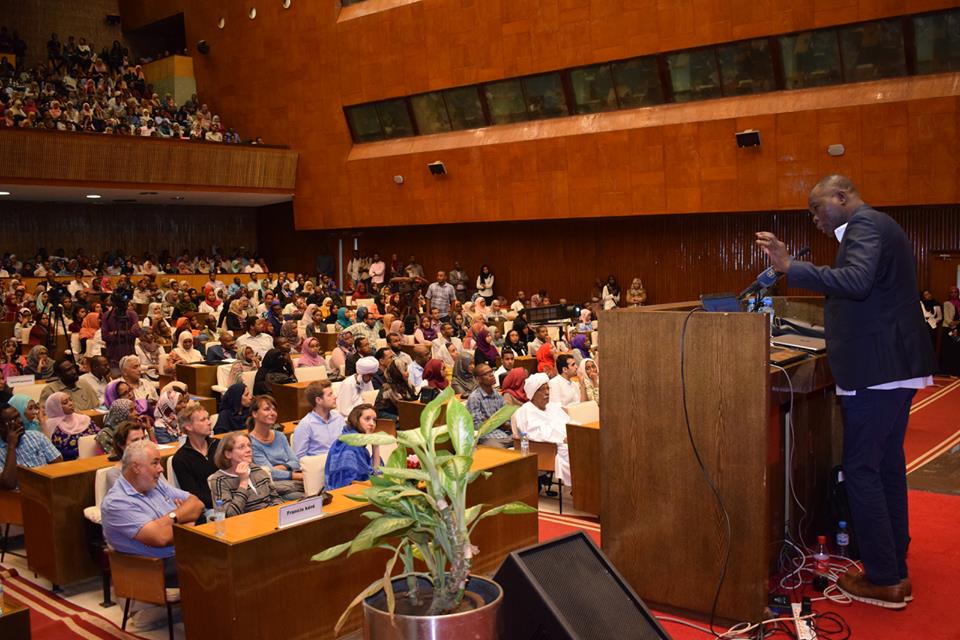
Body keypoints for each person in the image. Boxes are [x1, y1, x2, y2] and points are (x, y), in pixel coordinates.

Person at [756, 174, 935, 609]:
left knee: (861, 471)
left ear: (841, 196)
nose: (814, 218)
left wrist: (790, 268)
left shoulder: (865, 226)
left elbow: (855, 282)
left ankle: (885, 578)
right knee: (885, 466)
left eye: (817, 208)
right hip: (892, 367)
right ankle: (892, 560)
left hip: (877, 369)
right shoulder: (873, 227)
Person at [101, 440, 204, 587]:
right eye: (155, 463)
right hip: (154, 568)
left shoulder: (155, 484)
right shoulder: (117, 503)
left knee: (232, 553)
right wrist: (185, 521)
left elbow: (196, 503)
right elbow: (160, 538)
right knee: (220, 565)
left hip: (181, 553)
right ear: (136, 467)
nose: (160, 469)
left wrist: (171, 519)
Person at [512, 373, 571, 486]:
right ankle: (582, 487)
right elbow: (535, 434)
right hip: (548, 449)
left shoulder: (553, 407)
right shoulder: (525, 411)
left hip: (567, 441)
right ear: (533, 394)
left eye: (548, 388)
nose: (547, 393)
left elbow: (568, 422)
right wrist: (563, 438)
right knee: (576, 452)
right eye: (542, 390)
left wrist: (576, 433)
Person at [209, 432, 285, 517]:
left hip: (269, 519)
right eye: (242, 447)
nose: (248, 450)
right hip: (244, 525)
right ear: (228, 454)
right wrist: (243, 482)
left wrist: (275, 514)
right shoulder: (219, 480)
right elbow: (228, 515)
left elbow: (275, 498)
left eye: (249, 445)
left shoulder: (257, 470)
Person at [248, 395, 304, 494]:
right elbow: (269, 473)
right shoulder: (251, 442)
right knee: (301, 496)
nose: (272, 413)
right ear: (255, 413)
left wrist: (282, 467)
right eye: (267, 409)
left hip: (292, 482)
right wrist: (294, 475)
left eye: (274, 409)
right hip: (273, 487)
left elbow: (296, 462)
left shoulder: (280, 436)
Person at [0, 403, 61, 489]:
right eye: (13, 420)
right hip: (18, 497)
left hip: (47, 488)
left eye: (19, 416)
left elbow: (59, 464)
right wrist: (11, 446)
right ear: (1, 427)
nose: (20, 421)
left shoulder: (36, 436)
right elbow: (8, 483)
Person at [172, 402, 220, 509]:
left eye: (208, 418)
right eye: (203, 420)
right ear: (188, 427)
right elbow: (193, 494)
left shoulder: (219, 445)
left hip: (229, 501)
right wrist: (218, 503)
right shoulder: (181, 458)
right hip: (207, 508)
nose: (209, 422)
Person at [324, 404, 380, 490]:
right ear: (356, 420)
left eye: (374, 420)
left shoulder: (359, 444)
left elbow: (376, 475)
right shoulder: (348, 445)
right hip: (343, 495)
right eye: (367, 419)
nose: (372, 423)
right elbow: (348, 484)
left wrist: (376, 448)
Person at [293, 380, 345, 457]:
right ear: (318, 400)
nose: (335, 397)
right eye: (330, 395)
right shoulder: (306, 425)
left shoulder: (338, 417)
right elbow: (300, 457)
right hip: (319, 466)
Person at [43, 391, 99, 461]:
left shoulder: (84, 419)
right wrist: (79, 453)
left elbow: (98, 436)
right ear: (56, 407)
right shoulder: (51, 426)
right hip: (68, 463)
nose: (71, 404)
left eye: (70, 400)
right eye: (65, 403)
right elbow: (53, 452)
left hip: (94, 456)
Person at [466, 363, 508, 447]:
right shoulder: (475, 398)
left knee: (524, 441)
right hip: (486, 436)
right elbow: (477, 426)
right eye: (486, 374)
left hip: (503, 433)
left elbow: (506, 418)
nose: (491, 375)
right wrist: (498, 422)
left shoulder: (497, 395)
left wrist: (500, 422)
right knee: (500, 449)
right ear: (478, 379)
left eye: (491, 372)